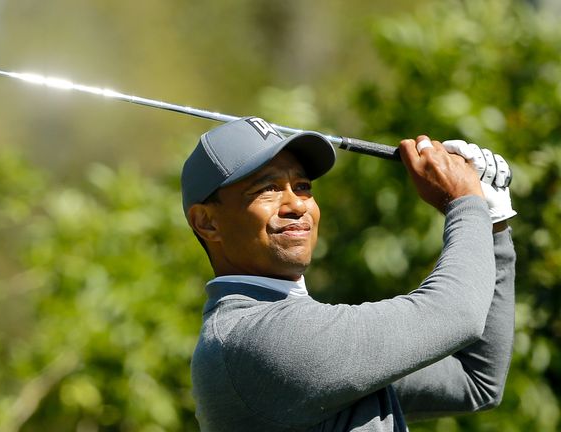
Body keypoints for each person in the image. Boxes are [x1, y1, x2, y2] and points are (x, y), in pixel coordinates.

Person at [180, 117, 516, 431]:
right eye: (267, 189)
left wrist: (494, 224)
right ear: (207, 222)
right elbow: (457, 313)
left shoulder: (295, 335)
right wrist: (467, 202)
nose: (297, 204)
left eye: (302, 186)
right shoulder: (256, 340)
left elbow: (476, 381)